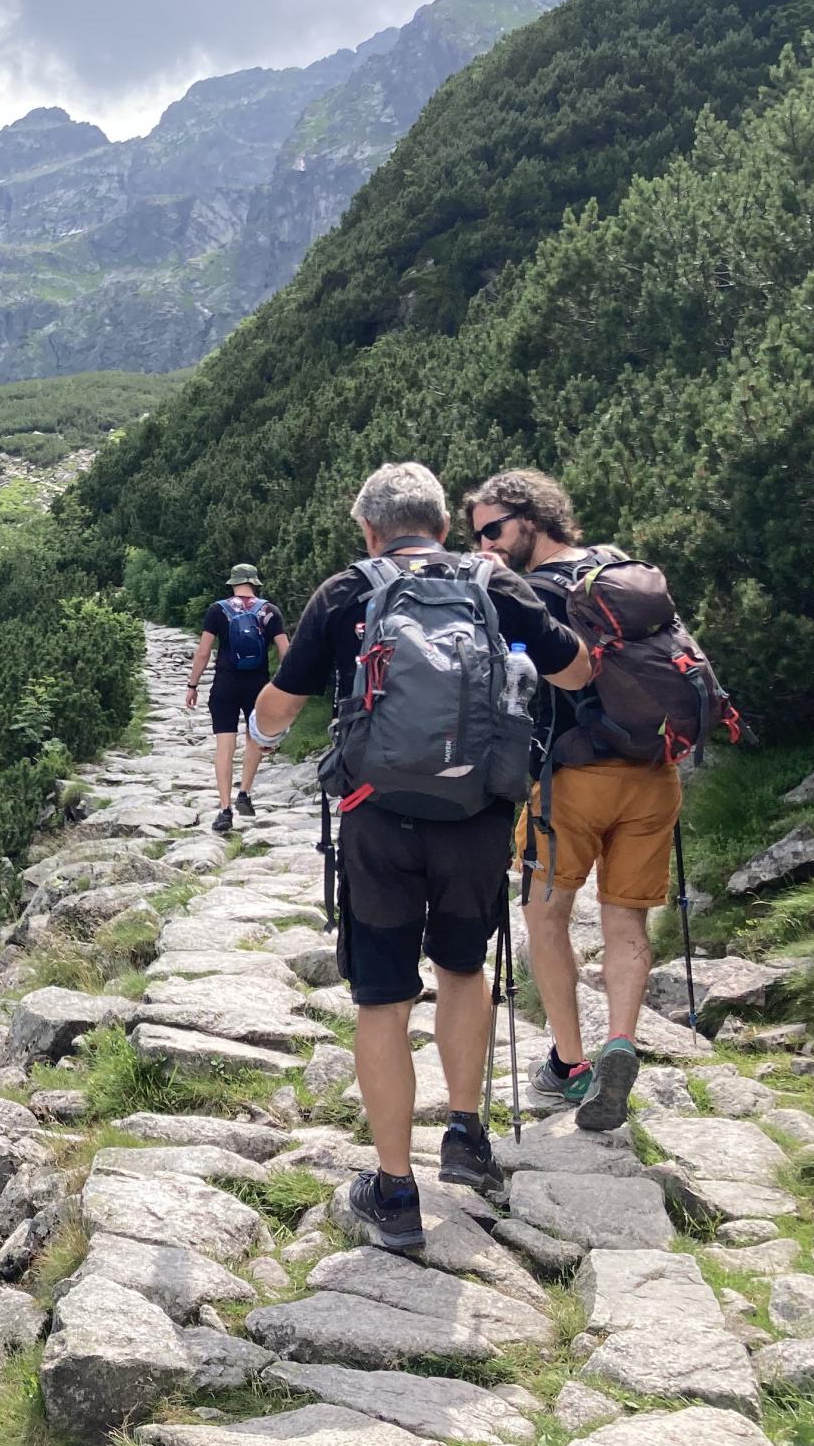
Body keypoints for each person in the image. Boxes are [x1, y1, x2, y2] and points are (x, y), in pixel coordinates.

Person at [247, 462, 590, 1251]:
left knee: (383, 997)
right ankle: (466, 1137)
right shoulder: (496, 585)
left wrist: (251, 759)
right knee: (464, 972)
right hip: (476, 818)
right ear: (442, 524)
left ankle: (395, 1190)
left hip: (378, 824)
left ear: (370, 528)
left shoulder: (345, 592)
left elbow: (280, 701)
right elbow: (575, 669)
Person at [464, 469, 675, 1134]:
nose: (487, 544)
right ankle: (619, 1040)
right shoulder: (620, 572)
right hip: (653, 775)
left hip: (570, 782)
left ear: (533, 519)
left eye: (494, 529)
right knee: (626, 925)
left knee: (544, 915)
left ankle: (571, 1065)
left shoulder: (532, 592)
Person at [184, 565, 290, 834]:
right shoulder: (269, 611)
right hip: (258, 687)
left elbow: (203, 652)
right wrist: (284, 687)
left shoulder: (217, 610)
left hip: (225, 686)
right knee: (254, 738)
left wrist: (192, 685)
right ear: (255, 584)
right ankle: (244, 792)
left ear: (233, 584)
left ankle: (224, 809)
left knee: (224, 746)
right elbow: (286, 652)